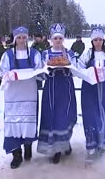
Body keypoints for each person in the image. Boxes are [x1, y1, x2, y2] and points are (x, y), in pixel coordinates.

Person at [0, 27, 42, 169]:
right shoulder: (7, 54)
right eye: (19, 38)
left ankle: (28, 147)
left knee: (28, 122)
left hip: (29, 93)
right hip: (13, 95)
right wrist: (8, 75)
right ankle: (16, 154)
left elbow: (40, 71)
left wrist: (36, 73)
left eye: (24, 37)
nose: (22, 40)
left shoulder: (35, 53)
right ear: (15, 39)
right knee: (13, 123)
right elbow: (1, 72)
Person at [78, 27, 105, 162]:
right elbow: (78, 69)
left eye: (100, 39)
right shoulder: (87, 54)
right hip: (90, 90)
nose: (98, 42)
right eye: (95, 39)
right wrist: (90, 73)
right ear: (92, 41)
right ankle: (92, 145)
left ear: (103, 40)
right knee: (92, 115)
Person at [37, 23, 77, 164]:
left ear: (63, 39)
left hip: (66, 89)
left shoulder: (69, 54)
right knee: (52, 116)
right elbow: (40, 74)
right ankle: (55, 149)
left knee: (65, 116)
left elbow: (75, 70)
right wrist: (47, 69)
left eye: (60, 38)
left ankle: (65, 143)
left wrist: (68, 66)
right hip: (51, 89)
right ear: (51, 39)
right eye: (55, 38)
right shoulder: (45, 54)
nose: (58, 41)